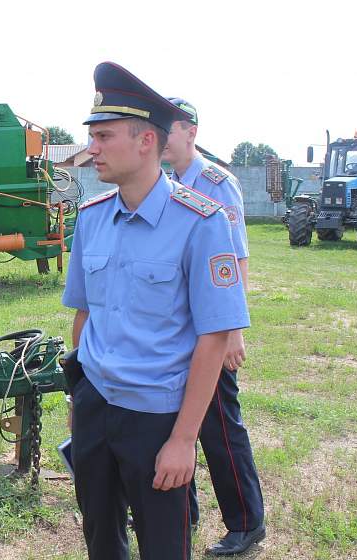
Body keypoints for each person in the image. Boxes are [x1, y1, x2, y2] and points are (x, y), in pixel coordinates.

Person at [62, 62, 250, 559]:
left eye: (104, 136)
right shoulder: (92, 218)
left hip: (156, 416)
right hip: (96, 404)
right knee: (100, 537)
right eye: (93, 136)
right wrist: (79, 399)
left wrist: (184, 440)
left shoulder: (202, 222)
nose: (92, 148)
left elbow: (214, 336)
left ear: (146, 141)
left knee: (164, 545)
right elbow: (84, 315)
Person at [161, 98, 266, 555]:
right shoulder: (165, 183)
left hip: (211, 327)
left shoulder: (217, 184)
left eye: (168, 129)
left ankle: (246, 522)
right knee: (172, 419)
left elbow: (234, 259)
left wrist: (232, 332)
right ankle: (183, 510)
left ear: (191, 132)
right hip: (177, 324)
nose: (160, 138)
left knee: (220, 426)